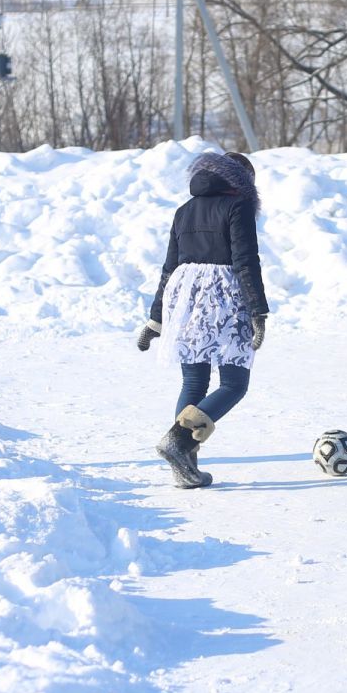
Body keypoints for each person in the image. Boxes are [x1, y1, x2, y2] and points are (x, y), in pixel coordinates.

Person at [142, 151, 270, 487]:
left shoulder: (184, 211)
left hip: (184, 300)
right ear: (242, 182)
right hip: (224, 299)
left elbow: (170, 268)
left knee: (194, 383)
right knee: (233, 384)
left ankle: (184, 467)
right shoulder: (238, 205)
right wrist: (258, 310)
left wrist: (157, 319)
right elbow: (245, 260)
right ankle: (180, 442)